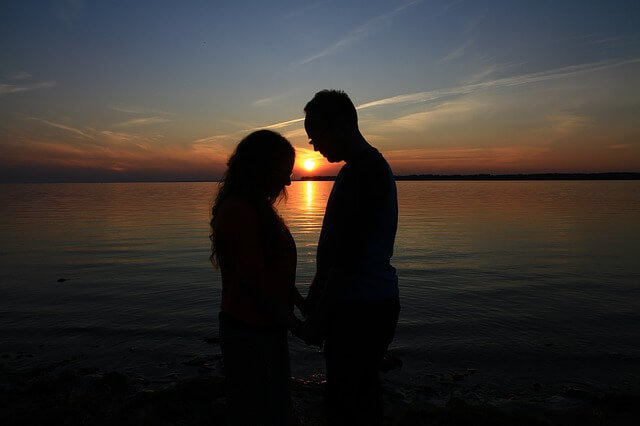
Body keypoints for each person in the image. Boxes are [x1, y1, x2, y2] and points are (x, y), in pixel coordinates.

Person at [301, 89, 400, 425]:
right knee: (354, 392)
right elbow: (334, 249)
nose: (313, 146)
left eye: (316, 136)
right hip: (358, 304)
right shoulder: (353, 170)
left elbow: (349, 259)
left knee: (350, 401)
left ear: (340, 125)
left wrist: (321, 317)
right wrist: (316, 293)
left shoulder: (367, 173)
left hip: (363, 308)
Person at [210, 129, 305, 425]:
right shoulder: (238, 212)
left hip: (266, 327)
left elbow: (273, 274)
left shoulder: (258, 209)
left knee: (274, 407)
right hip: (249, 332)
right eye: (283, 172)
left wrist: (300, 303)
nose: (288, 181)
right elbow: (254, 285)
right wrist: (300, 328)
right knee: (261, 412)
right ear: (261, 167)